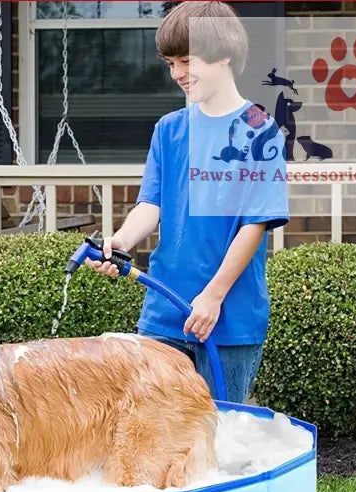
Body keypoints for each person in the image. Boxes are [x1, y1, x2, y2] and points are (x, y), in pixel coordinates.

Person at [87, 1, 288, 403]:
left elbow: (254, 225)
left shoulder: (261, 132)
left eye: (186, 61)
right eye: (170, 64)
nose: (177, 74)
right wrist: (121, 242)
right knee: (156, 433)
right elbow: (151, 205)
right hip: (164, 311)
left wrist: (213, 297)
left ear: (223, 56)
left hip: (230, 317)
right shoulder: (169, 130)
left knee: (220, 432)